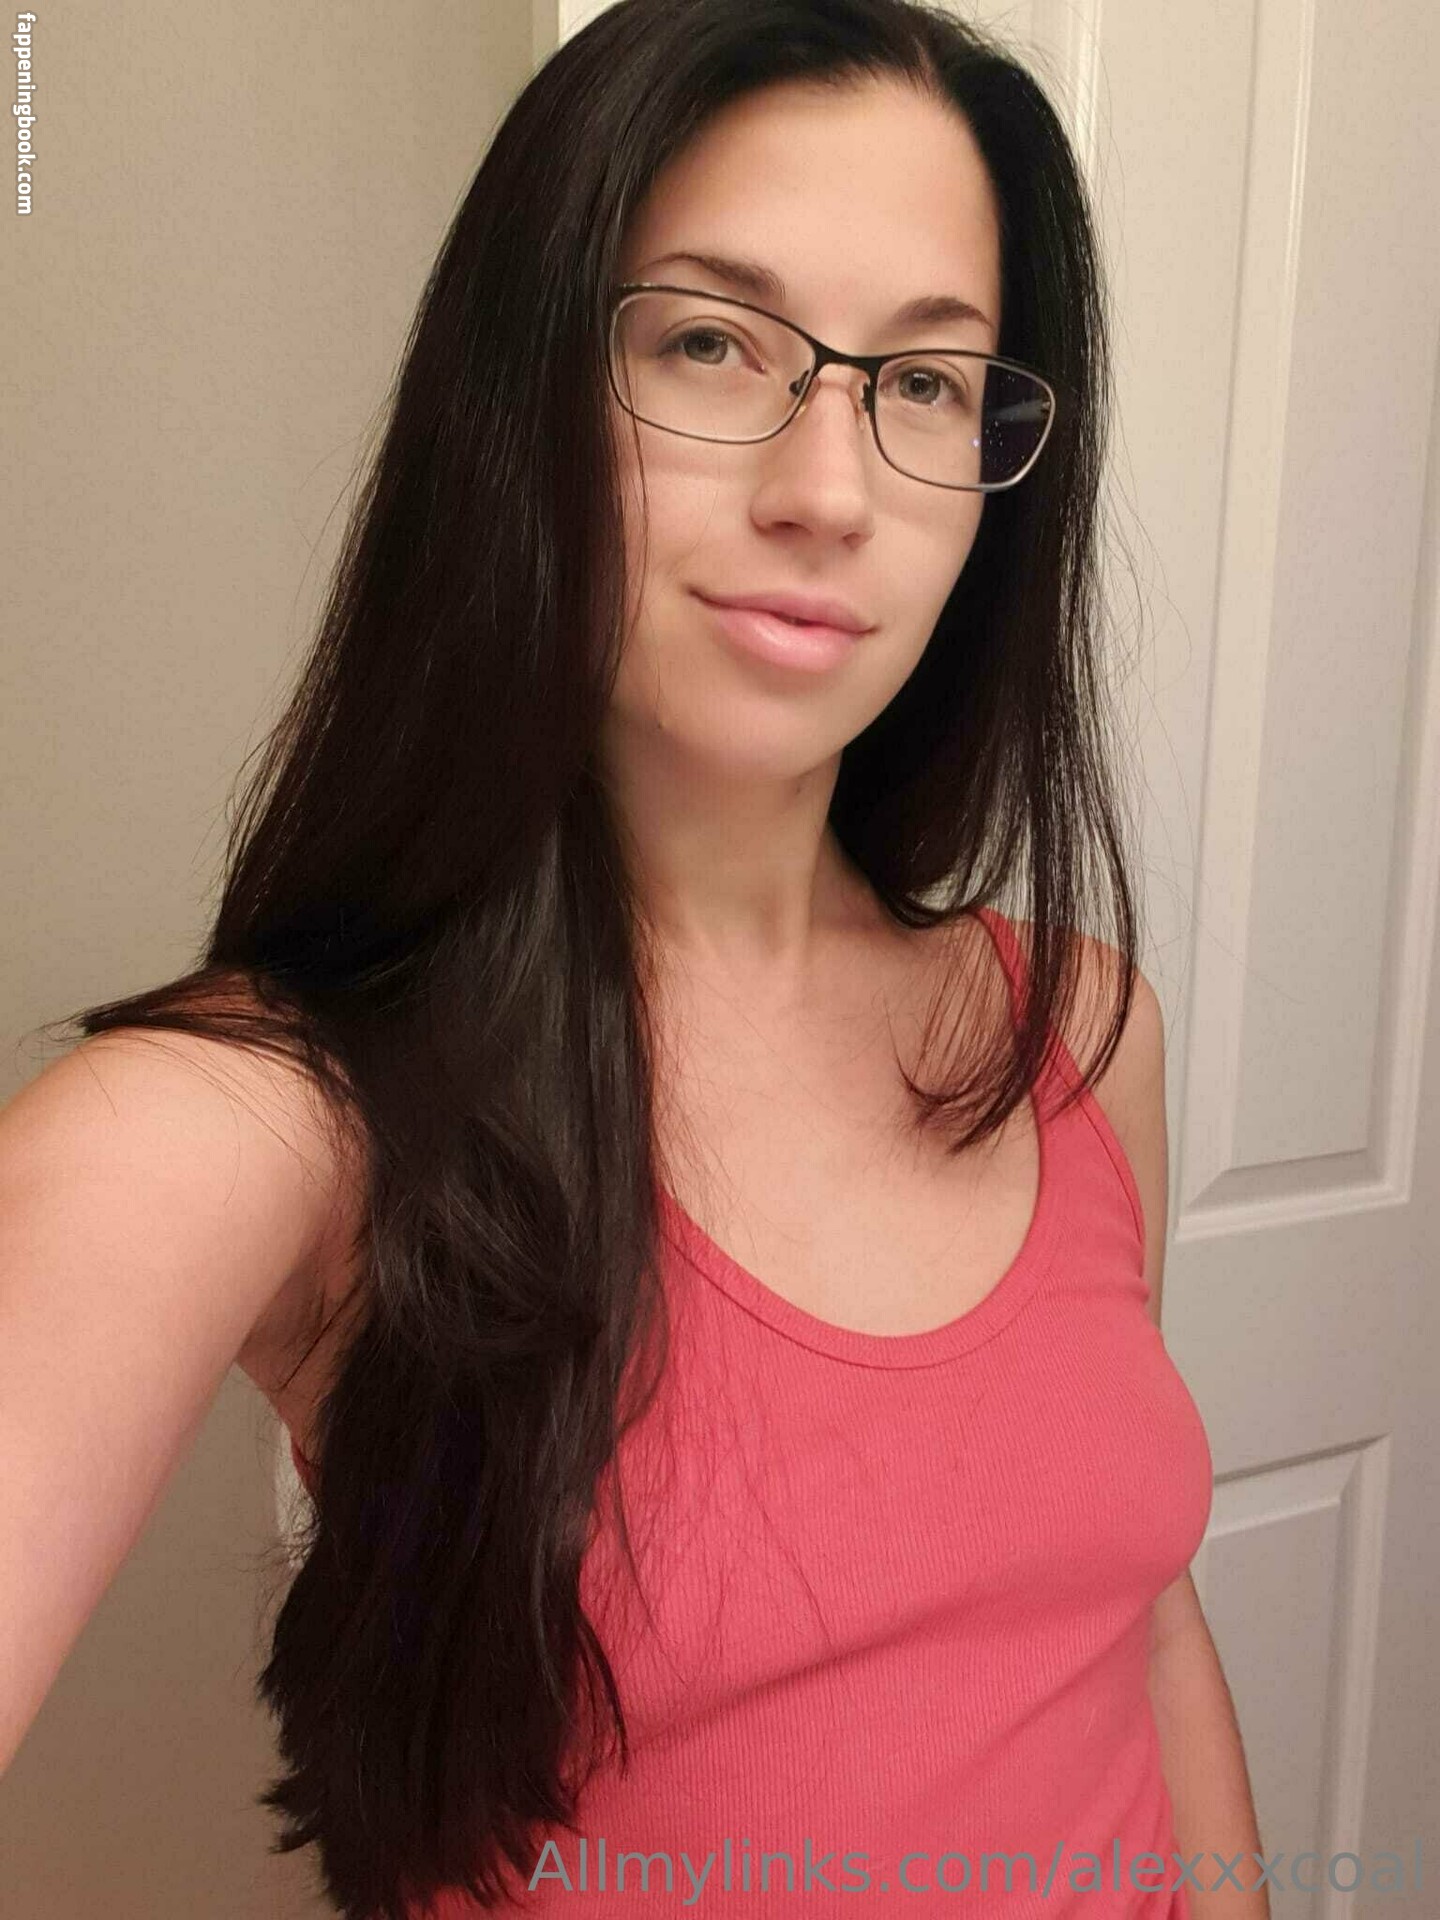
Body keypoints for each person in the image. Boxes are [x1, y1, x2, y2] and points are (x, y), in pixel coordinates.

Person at [0, 1, 1270, 1914]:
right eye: (708, 342)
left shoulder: (1079, 1032)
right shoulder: (255, 1122)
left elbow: (1141, 1619)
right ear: (518, 393)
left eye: (927, 384)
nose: (829, 491)